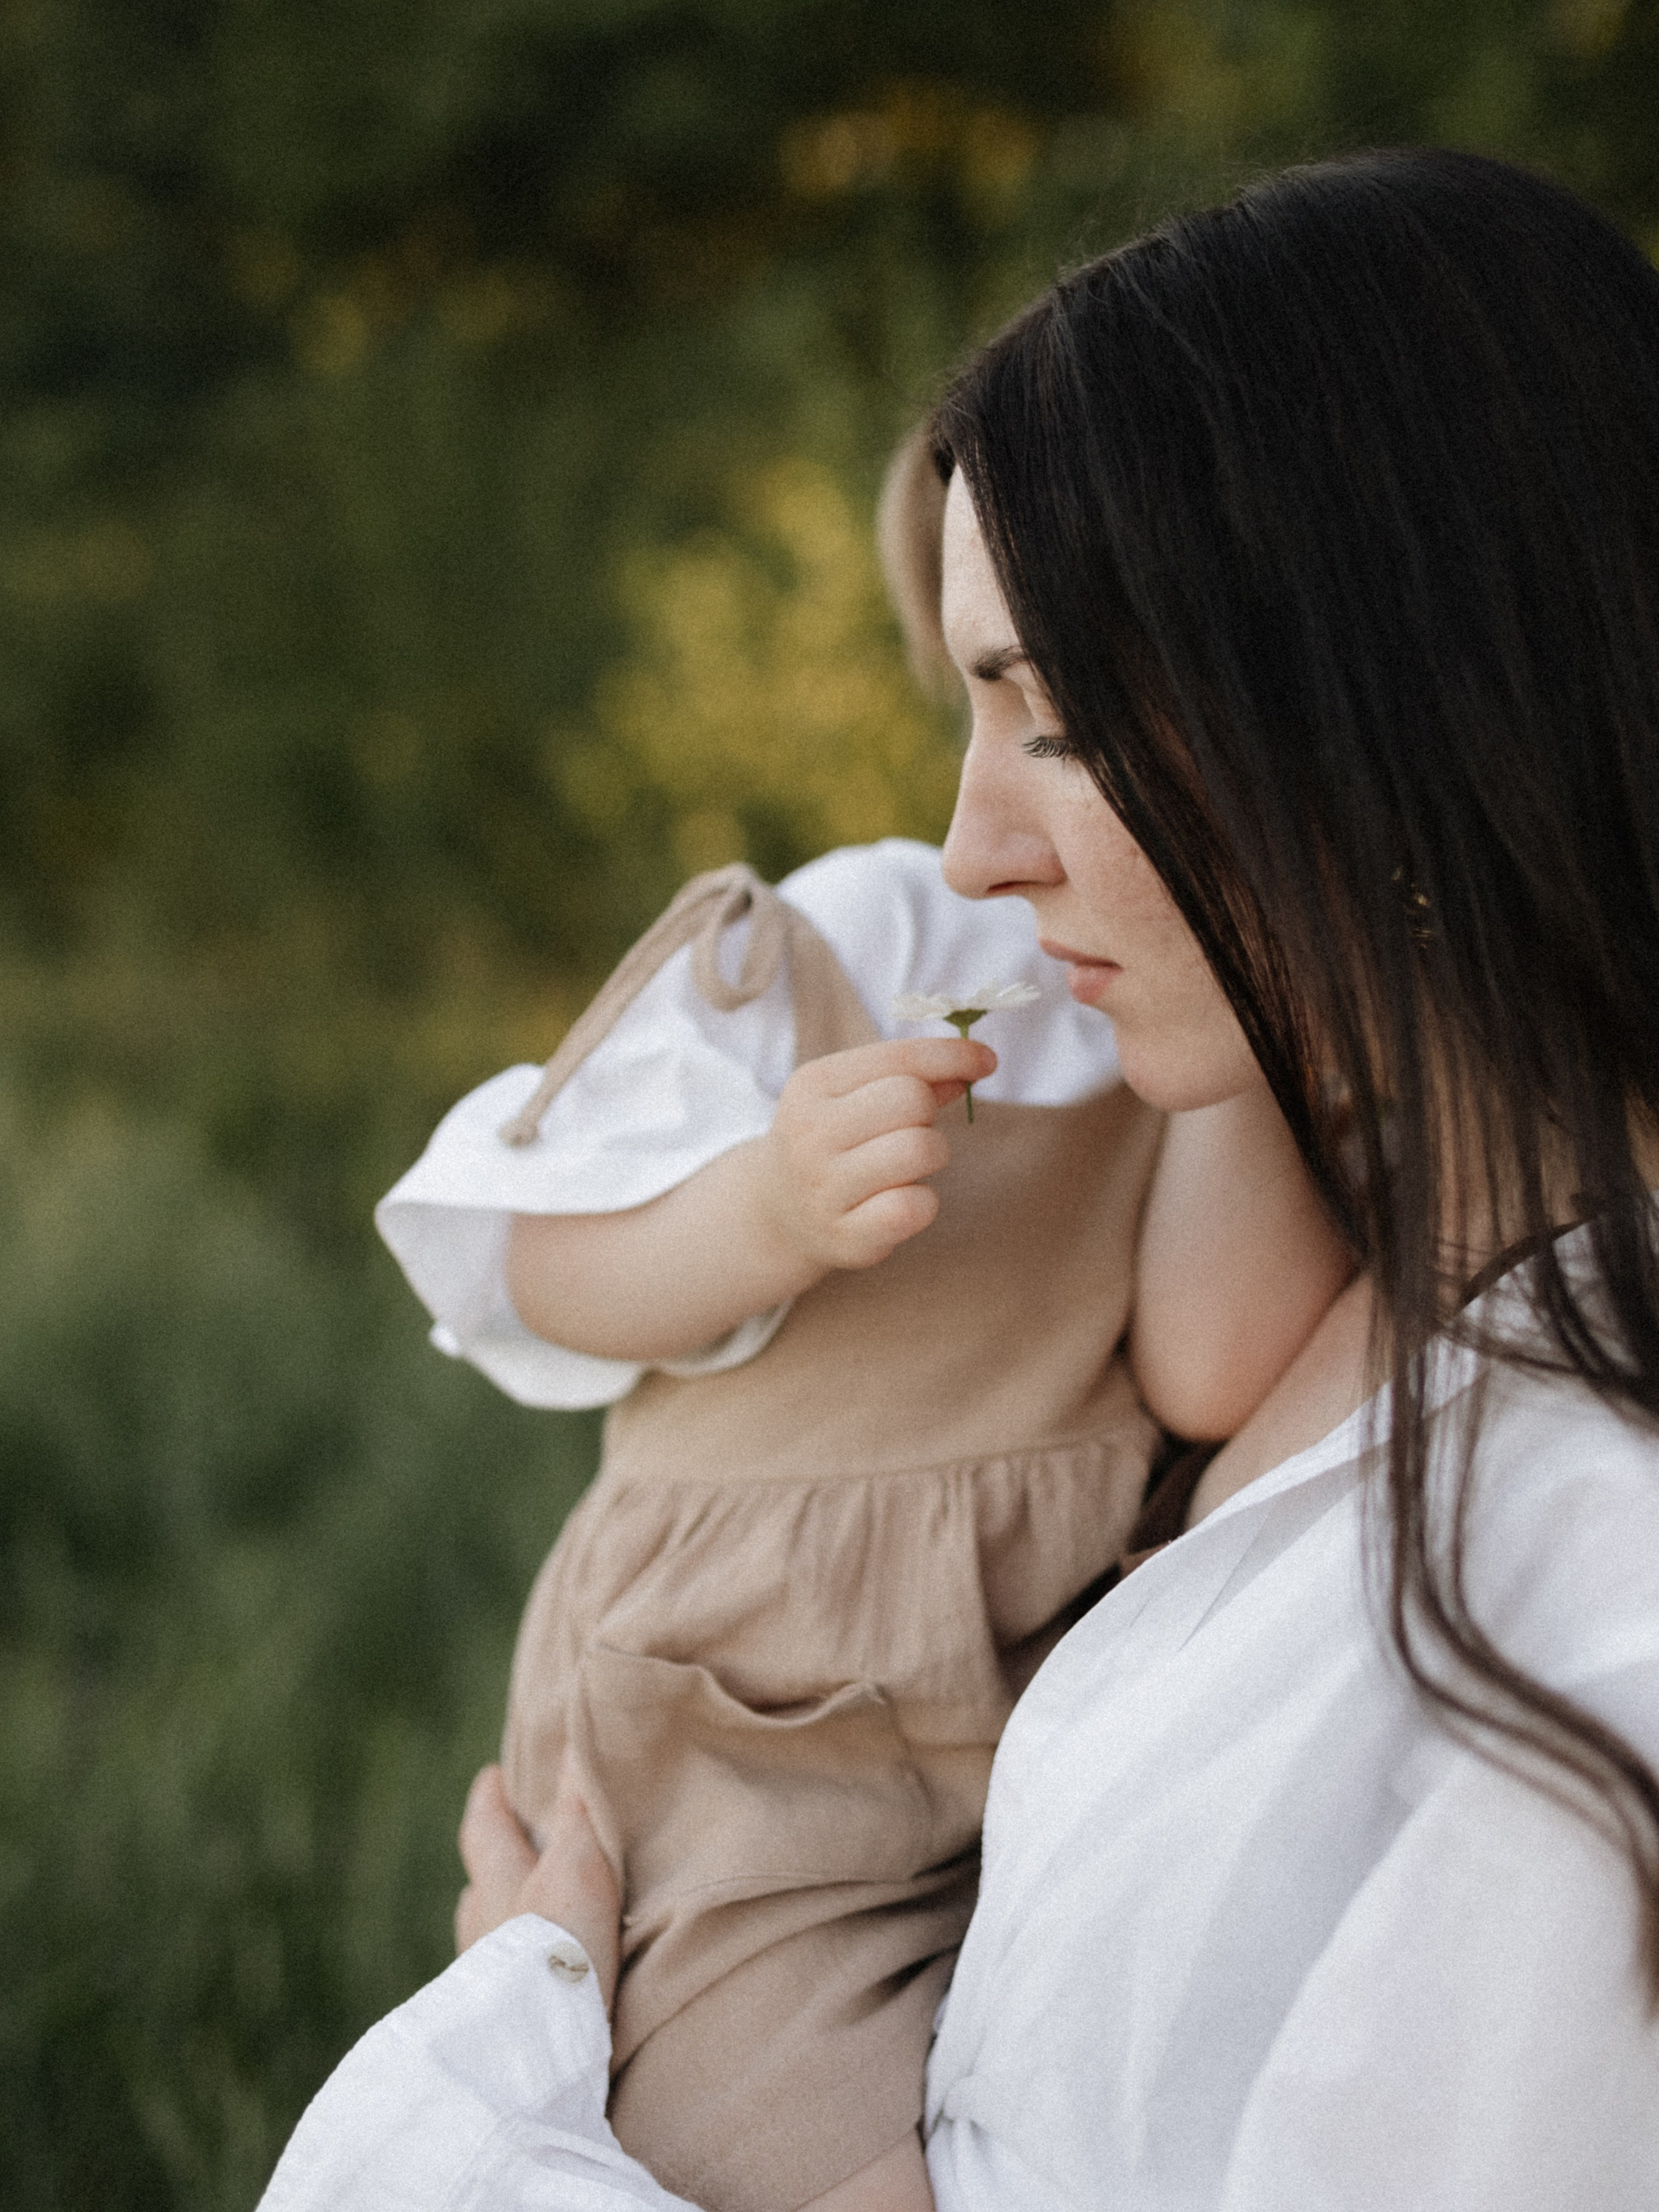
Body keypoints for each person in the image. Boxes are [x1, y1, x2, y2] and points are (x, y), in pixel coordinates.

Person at [260, 148, 1659, 2211]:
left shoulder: (1591, 1593)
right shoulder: (1411, 1259)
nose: (976, 852)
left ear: (1402, 708)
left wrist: (506, 2100)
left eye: (1058, 721)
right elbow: (501, 1243)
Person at [371, 430, 1346, 2211]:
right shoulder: (850, 945)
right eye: (987, 701)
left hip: (1014, 1670)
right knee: (779, 2126)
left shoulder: (1192, 1038)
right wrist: (757, 1210)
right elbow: (509, 1254)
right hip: (746, 1726)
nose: (997, 831)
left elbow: (1212, 1356)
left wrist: (1259, 1024)